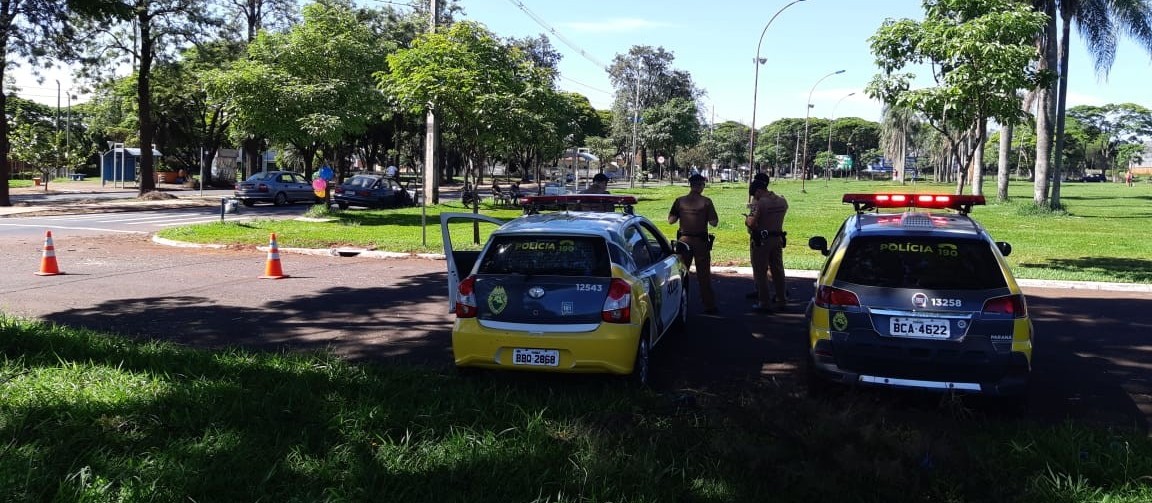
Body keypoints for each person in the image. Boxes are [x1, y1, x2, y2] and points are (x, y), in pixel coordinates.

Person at [669, 174, 720, 315]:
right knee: (704, 276)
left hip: (683, 242)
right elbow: (714, 223)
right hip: (701, 242)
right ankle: (709, 305)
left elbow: (671, 220)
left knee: (680, 275)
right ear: (702, 186)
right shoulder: (706, 202)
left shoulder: (679, 201)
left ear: (690, 185)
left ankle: (677, 304)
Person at [746, 178, 789, 314]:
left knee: (760, 272)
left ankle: (764, 302)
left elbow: (752, 223)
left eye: (755, 195)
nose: (754, 198)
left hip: (761, 240)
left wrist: (747, 218)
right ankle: (782, 299)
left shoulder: (760, 204)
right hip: (777, 238)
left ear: (758, 191)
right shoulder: (782, 201)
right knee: (778, 270)